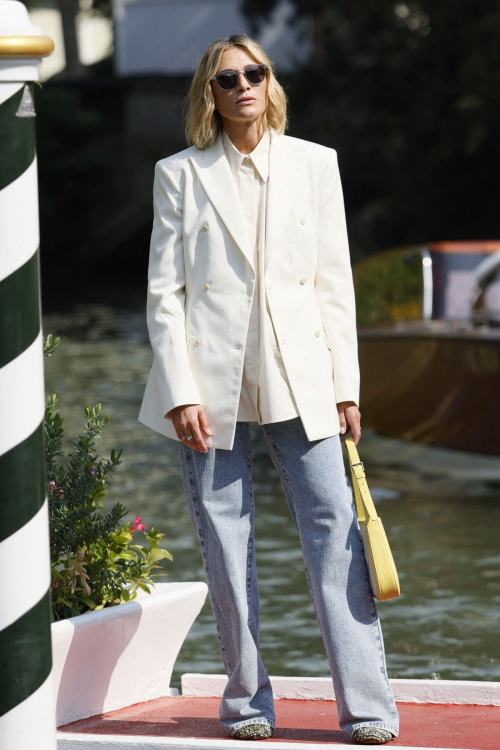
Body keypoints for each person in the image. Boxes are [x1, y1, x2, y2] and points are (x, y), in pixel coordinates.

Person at [138, 33, 399, 746]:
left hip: (302, 376)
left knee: (336, 536)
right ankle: (248, 707)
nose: (244, 85)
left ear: (270, 82)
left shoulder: (316, 164)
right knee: (225, 546)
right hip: (208, 385)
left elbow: (331, 284)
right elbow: (166, 294)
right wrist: (179, 390)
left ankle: (369, 710)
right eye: (229, 78)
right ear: (210, 95)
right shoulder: (180, 175)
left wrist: (346, 386)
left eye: (255, 73)